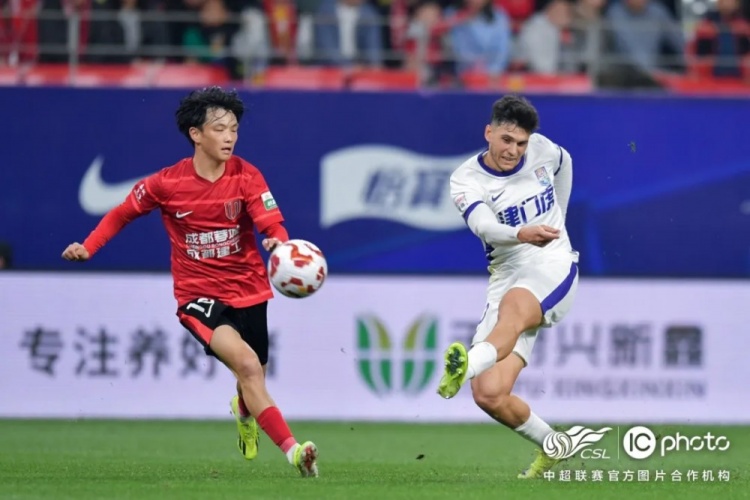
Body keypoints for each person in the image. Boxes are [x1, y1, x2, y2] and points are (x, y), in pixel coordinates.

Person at [61, 86, 319, 478]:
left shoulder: (247, 175)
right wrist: (89, 246)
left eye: (234, 129)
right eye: (220, 129)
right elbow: (122, 212)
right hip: (199, 296)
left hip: (249, 290)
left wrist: (278, 244)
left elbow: (271, 224)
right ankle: (295, 453)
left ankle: (243, 412)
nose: (229, 137)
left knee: (253, 378)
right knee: (248, 366)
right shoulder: (166, 183)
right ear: (196, 134)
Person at [438, 95, 578, 479]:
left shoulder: (543, 149)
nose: (514, 150)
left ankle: (466, 365)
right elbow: (484, 226)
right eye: (506, 140)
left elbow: (565, 163)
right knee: (489, 393)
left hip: (552, 262)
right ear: (489, 132)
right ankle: (555, 445)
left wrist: (559, 222)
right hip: (506, 271)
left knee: (513, 310)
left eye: (520, 143)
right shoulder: (466, 179)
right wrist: (521, 233)